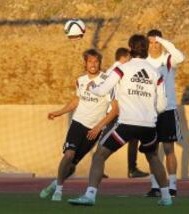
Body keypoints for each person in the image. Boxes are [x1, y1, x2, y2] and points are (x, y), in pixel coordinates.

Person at [68, 34, 172, 206]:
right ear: (146, 49)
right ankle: (167, 197)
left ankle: (90, 195)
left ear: (130, 48)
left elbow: (102, 91)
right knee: (153, 157)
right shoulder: (156, 73)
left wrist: (92, 87)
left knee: (99, 155)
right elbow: (161, 106)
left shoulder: (122, 68)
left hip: (127, 125)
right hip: (149, 126)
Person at [39, 49, 119, 202]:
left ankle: (55, 184)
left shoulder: (108, 82)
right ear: (85, 63)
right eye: (90, 61)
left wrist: (98, 127)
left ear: (99, 63)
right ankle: (59, 190)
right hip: (78, 123)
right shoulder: (80, 80)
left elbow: (115, 110)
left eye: (96, 61)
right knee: (69, 155)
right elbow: (77, 100)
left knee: (72, 165)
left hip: (95, 129)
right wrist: (60, 112)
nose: (93, 64)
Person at [145, 29, 185, 197]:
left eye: (157, 43)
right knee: (151, 151)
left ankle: (172, 186)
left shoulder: (168, 59)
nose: (154, 46)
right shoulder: (143, 62)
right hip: (149, 112)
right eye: (151, 43)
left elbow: (181, 57)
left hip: (168, 110)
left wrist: (163, 40)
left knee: (169, 149)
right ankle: (155, 186)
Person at [106, 47, 149, 178]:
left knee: (107, 138)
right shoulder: (120, 70)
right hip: (118, 111)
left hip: (116, 110)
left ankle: (131, 168)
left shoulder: (111, 70)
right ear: (124, 58)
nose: (131, 61)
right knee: (130, 139)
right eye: (129, 58)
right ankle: (132, 169)